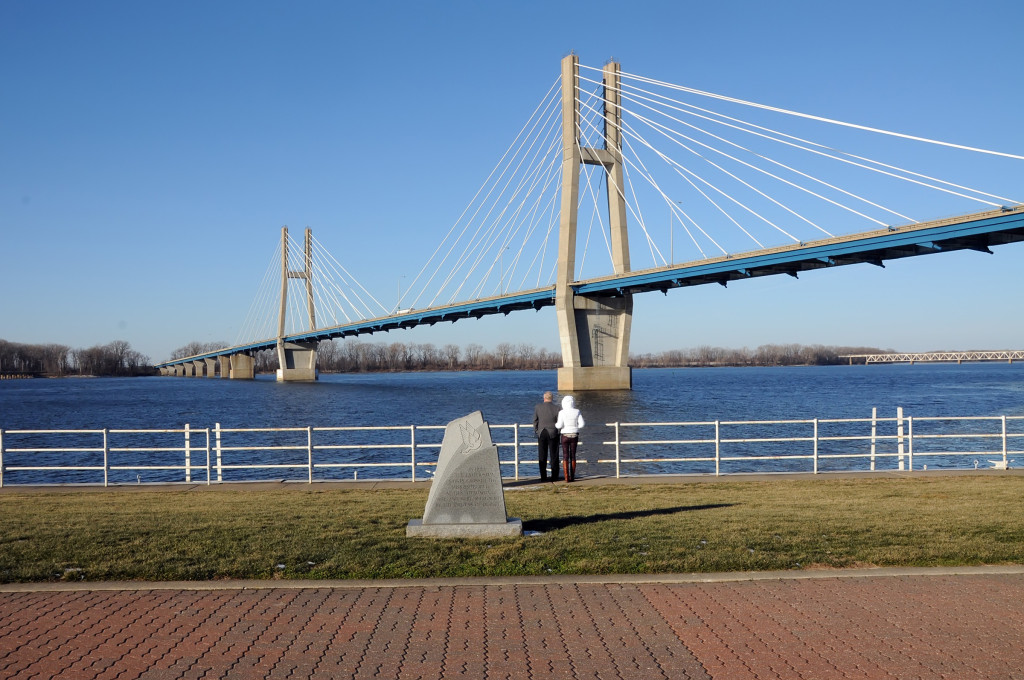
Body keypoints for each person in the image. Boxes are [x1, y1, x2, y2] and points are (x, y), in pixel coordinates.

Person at [555, 395, 584, 482]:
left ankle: (566, 477)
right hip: (574, 435)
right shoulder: (577, 411)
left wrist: (556, 425)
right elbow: (582, 424)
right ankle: (572, 476)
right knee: (573, 455)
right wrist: (575, 427)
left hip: (565, 435)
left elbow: (559, 425)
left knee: (565, 455)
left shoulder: (562, 412)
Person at [533, 391, 561, 481]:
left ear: (544, 398)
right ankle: (554, 476)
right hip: (553, 432)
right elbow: (559, 422)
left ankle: (543, 476)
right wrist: (558, 432)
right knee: (554, 455)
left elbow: (535, 421)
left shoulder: (538, 407)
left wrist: (537, 431)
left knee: (542, 455)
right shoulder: (557, 408)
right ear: (551, 398)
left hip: (541, 432)